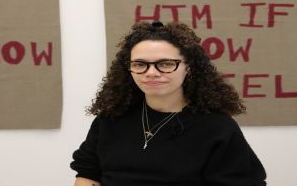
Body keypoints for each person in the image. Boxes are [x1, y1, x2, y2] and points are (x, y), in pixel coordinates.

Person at [70, 21, 267, 186]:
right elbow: (87, 173)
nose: (151, 73)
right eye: (140, 64)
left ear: (188, 68)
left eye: (165, 64)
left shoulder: (217, 128)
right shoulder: (111, 117)